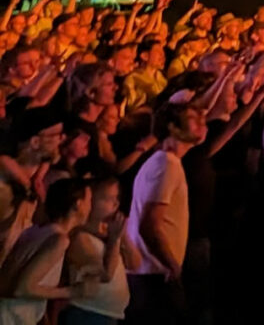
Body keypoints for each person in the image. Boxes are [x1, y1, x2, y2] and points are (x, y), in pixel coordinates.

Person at [125, 98, 203, 325]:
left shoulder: (168, 163)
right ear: (172, 127)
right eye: (192, 119)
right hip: (153, 275)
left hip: (154, 273)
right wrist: (173, 265)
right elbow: (150, 224)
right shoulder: (165, 164)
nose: (201, 122)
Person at [0, 176, 86, 324]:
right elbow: (23, 288)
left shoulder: (35, 231)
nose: (90, 207)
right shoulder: (59, 240)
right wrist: (70, 291)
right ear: (77, 204)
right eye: (89, 201)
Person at [60, 166, 134, 325]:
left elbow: (136, 263)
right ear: (90, 201)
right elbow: (105, 275)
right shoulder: (80, 236)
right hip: (88, 312)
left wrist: (122, 235)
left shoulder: (108, 233)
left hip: (106, 314)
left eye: (116, 198)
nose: (115, 204)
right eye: (107, 198)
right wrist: (114, 241)